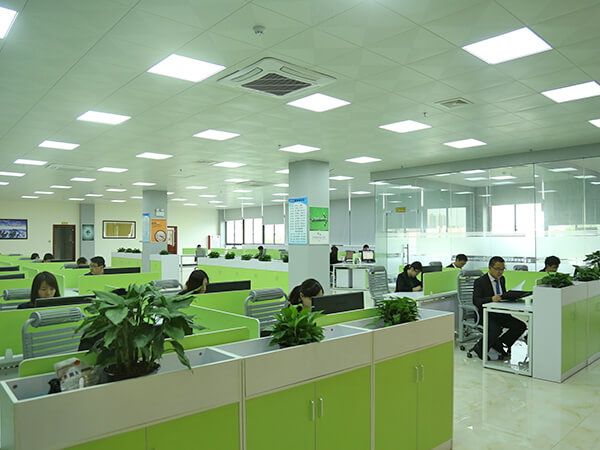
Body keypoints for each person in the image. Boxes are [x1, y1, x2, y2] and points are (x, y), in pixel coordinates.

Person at [472, 256, 527, 360]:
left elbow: (502, 295)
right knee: (495, 330)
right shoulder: (480, 281)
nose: (500, 272)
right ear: (490, 268)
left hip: (500, 313)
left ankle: (499, 343)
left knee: (520, 326)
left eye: (502, 269)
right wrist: (491, 299)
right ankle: (480, 348)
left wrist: (511, 297)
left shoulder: (502, 279)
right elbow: (476, 301)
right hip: (486, 314)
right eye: (497, 269)